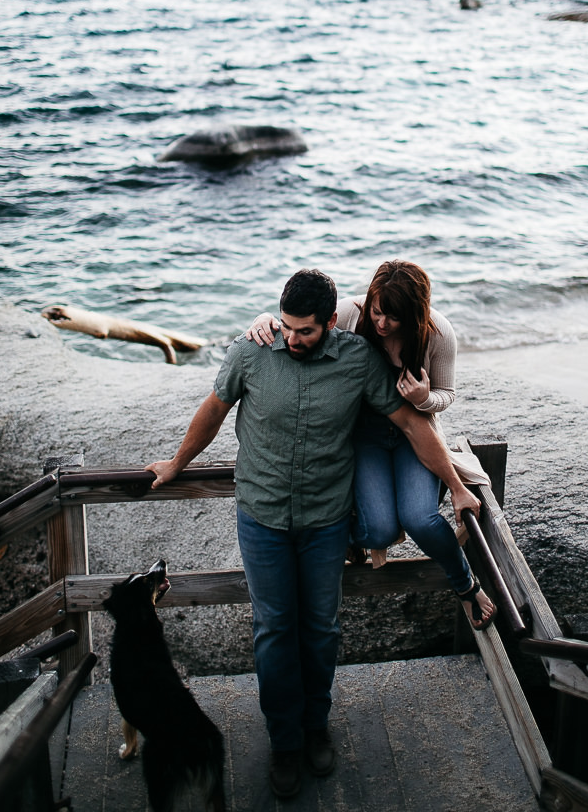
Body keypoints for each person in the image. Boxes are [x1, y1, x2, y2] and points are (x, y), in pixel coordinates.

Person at [147, 269, 479, 801]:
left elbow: (413, 425)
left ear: (331, 322)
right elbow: (212, 410)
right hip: (263, 518)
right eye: (286, 327)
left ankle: (316, 724)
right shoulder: (252, 351)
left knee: (320, 628)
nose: (293, 339)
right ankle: (284, 740)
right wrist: (176, 462)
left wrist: (455, 484)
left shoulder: (357, 359)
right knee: (275, 629)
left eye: (306, 331)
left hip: (326, 521)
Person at [247, 260, 496, 633]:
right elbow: (303, 324)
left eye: (393, 318)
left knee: (421, 519)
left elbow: (448, 393)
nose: (381, 324)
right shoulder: (351, 312)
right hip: (363, 436)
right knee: (379, 529)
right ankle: (350, 534)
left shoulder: (438, 333)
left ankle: (465, 584)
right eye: (378, 312)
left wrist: (427, 399)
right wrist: (264, 318)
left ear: (415, 314)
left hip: (416, 433)